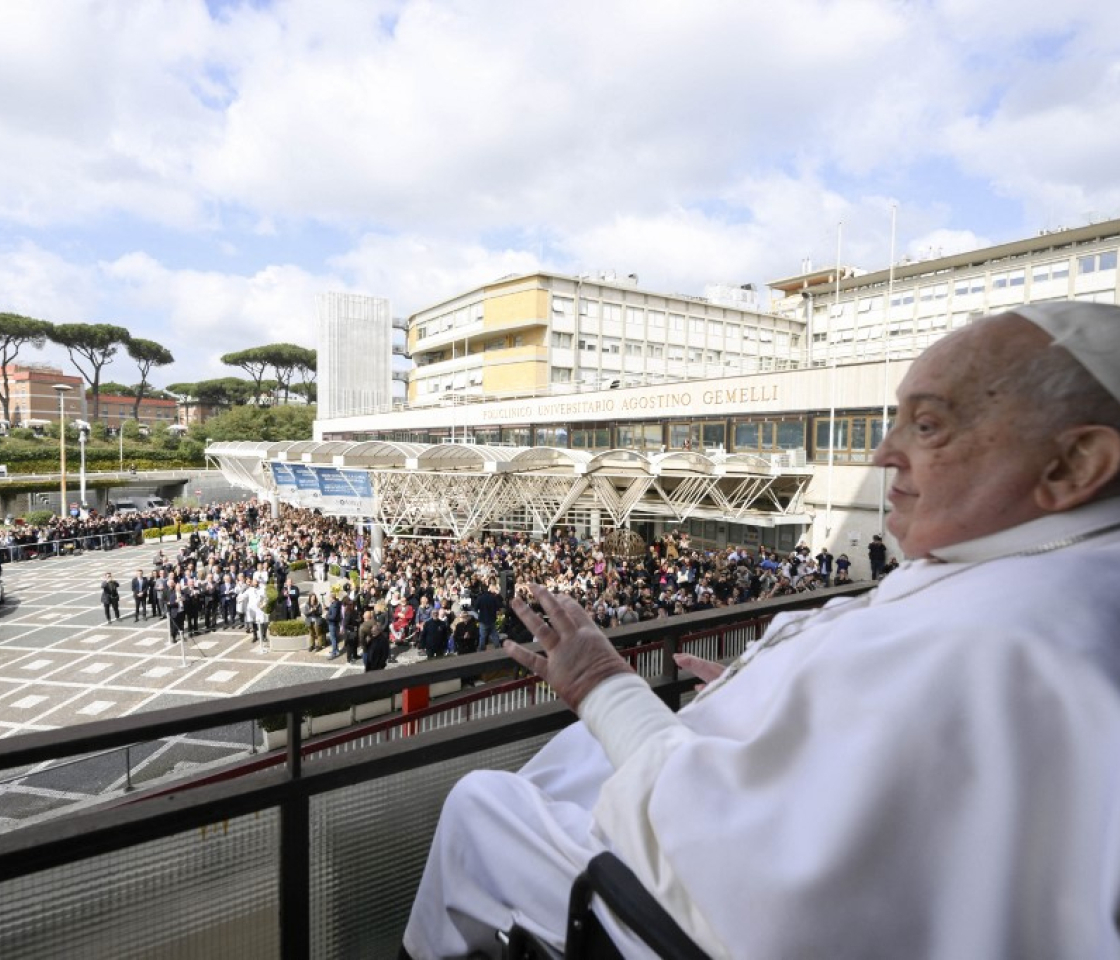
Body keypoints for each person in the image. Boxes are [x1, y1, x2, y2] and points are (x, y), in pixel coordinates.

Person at [402, 303, 1120, 959]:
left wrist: (601, 682)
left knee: (481, 804)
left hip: (684, 918)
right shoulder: (1050, 576)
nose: (883, 453)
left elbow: (760, 875)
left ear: (1074, 463)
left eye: (927, 425)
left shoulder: (998, 635)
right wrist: (782, 701)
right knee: (578, 756)